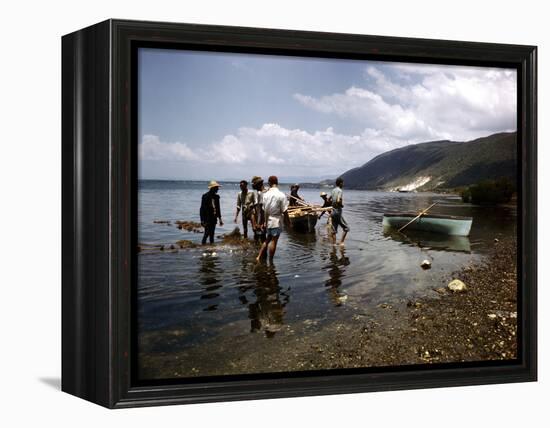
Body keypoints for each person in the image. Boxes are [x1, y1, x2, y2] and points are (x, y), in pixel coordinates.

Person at [256, 176, 289, 262]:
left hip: (268, 220)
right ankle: (271, 260)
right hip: (276, 220)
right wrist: (288, 222)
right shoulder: (281, 195)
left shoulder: (265, 195)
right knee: (274, 241)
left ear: (269, 183)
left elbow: (263, 210)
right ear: (277, 182)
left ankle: (259, 257)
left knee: (267, 240)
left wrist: (263, 222)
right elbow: (285, 211)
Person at [200, 180, 224, 245]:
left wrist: (220, 219)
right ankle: (203, 248)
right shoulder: (205, 196)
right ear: (212, 188)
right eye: (216, 188)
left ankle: (211, 249)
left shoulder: (217, 197)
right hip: (207, 218)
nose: (218, 189)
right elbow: (202, 209)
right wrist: (202, 220)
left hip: (213, 218)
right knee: (206, 233)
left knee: (212, 234)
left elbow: (218, 208)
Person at [330, 177, 349, 246]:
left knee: (334, 229)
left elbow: (329, 199)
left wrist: (333, 204)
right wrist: (341, 205)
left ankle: (334, 244)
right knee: (346, 228)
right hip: (338, 212)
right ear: (340, 183)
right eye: (343, 183)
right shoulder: (340, 191)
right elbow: (338, 200)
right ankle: (341, 242)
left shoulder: (333, 190)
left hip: (332, 212)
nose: (343, 184)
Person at [251, 176, 266, 243]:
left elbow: (262, 210)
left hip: (261, 221)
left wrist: (260, 223)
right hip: (260, 219)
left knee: (262, 239)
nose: (253, 186)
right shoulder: (260, 192)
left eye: (254, 184)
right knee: (261, 238)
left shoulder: (261, 193)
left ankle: (260, 253)